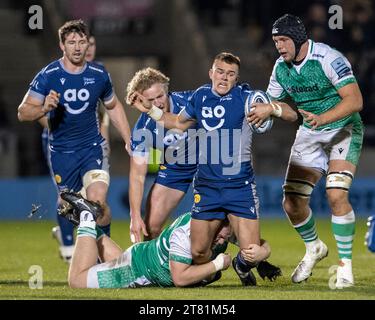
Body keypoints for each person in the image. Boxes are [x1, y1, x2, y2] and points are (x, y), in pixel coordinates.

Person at [129, 52, 296, 285]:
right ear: (211, 74)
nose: (224, 78)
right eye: (220, 72)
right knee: (197, 252)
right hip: (205, 185)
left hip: (238, 185)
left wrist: (272, 109)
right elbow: (177, 122)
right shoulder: (200, 97)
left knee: (253, 251)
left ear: (236, 79)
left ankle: (243, 264)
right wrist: (150, 110)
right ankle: (197, 268)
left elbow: (292, 114)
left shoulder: (246, 98)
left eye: (230, 74)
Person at [258, 14, 363, 288]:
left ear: (297, 38)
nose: (279, 46)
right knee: (291, 203)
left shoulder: (328, 58)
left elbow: (355, 100)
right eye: (275, 41)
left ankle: (345, 268)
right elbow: (291, 114)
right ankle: (314, 246)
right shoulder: (280, 68)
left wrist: (323, 119)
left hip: (343, 129)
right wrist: (271, 109)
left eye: (283, 40)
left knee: (336, 193)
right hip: (310, 132)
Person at [18, 20, 131, 256]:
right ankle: (70, 240)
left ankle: (103, 257)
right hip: (62, 153)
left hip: (92, 148)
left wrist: (128, 138)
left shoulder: (99, 74)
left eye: (82, 42)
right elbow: (23, 112)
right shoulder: (49, 75)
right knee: (68, 207)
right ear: (62, 45)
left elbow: (113, 106)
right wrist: (43, 108)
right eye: (72, 42)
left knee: (97, 204)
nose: (78, 47)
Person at [59, 191, 280, 288]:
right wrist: (217, 264)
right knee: (77, 281)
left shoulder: (219, 226)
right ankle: (87, 216)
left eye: (226, 234)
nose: (224, 238)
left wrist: (263, 253)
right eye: (221, 234)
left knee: (114, 262)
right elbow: (180, 278)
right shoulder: (187, 232)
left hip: (141, 257)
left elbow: (259, 243)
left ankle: (86, 226)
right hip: (137, 270)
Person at [125, 67, 197, 242]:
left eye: (160, 96)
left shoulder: (190, 100)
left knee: (214, 220)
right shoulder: (142, 129)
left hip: (207, 163)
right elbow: (137, 176)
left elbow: (182, 122)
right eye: (150, 99)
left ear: (166, 90)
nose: (157, 102)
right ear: (141, 101)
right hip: (175, 168)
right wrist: (134, 216)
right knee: (151, 227)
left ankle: (245, 255)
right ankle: (150, 267)